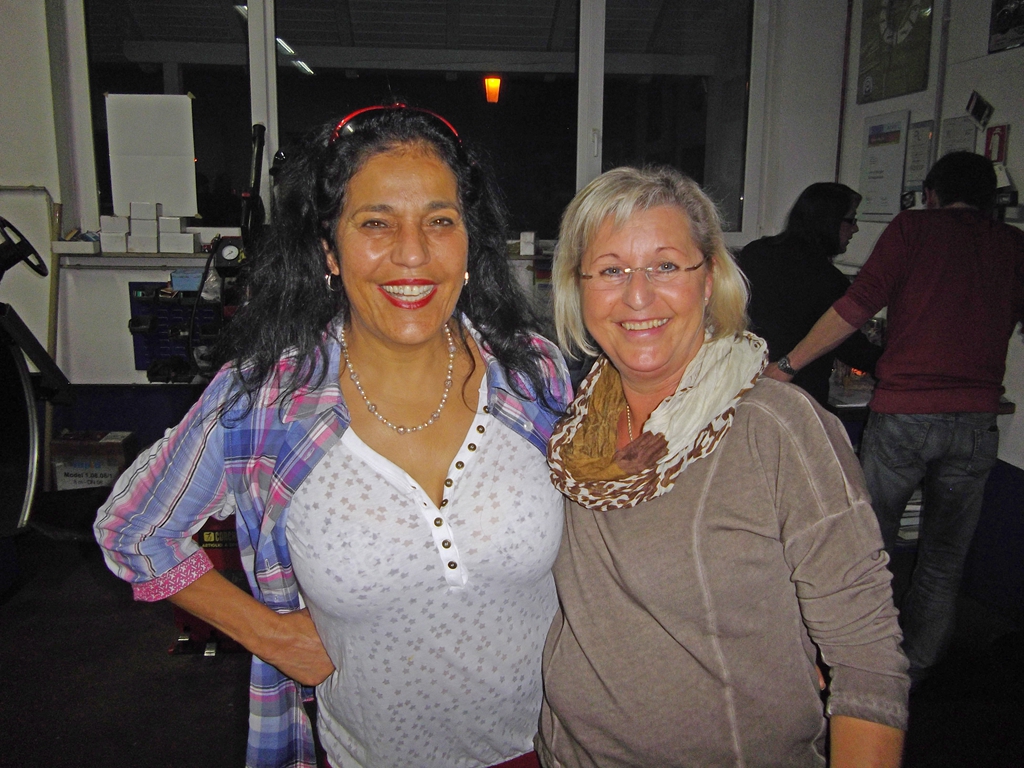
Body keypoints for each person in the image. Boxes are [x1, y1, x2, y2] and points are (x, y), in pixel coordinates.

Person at [94, 104, 571, 768]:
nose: (412, 253)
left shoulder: (531, 374)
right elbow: (133, 529)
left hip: (554, 746)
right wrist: (268, 635)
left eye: (440, 221)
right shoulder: (266, 402)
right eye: (376, 222)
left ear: (470, 243)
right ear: (328, 250)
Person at [538, 165, 909, 768]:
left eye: (665, 266)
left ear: (709, 280)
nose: (638, 295)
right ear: (578, 289)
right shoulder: (572, 428)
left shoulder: (777, 428)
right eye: (610, 270)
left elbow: (867, 658)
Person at [765, 151, 1024, 685]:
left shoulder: (913, 230)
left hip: (905, 414)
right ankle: (918, 666)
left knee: (866, 544)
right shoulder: (1012, 245)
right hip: (976, 420)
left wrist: (787, 365)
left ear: (931, 194)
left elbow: (855, 308)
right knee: (944, 557)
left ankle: (863, 663)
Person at [738, 182, 881, 408]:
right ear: (830, 221)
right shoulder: (828, 279)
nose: (855, 229)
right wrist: (899, 363)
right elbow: (853, 350)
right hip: (797, 397)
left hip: (743, 389)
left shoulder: (754, 253)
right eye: (851, 220)